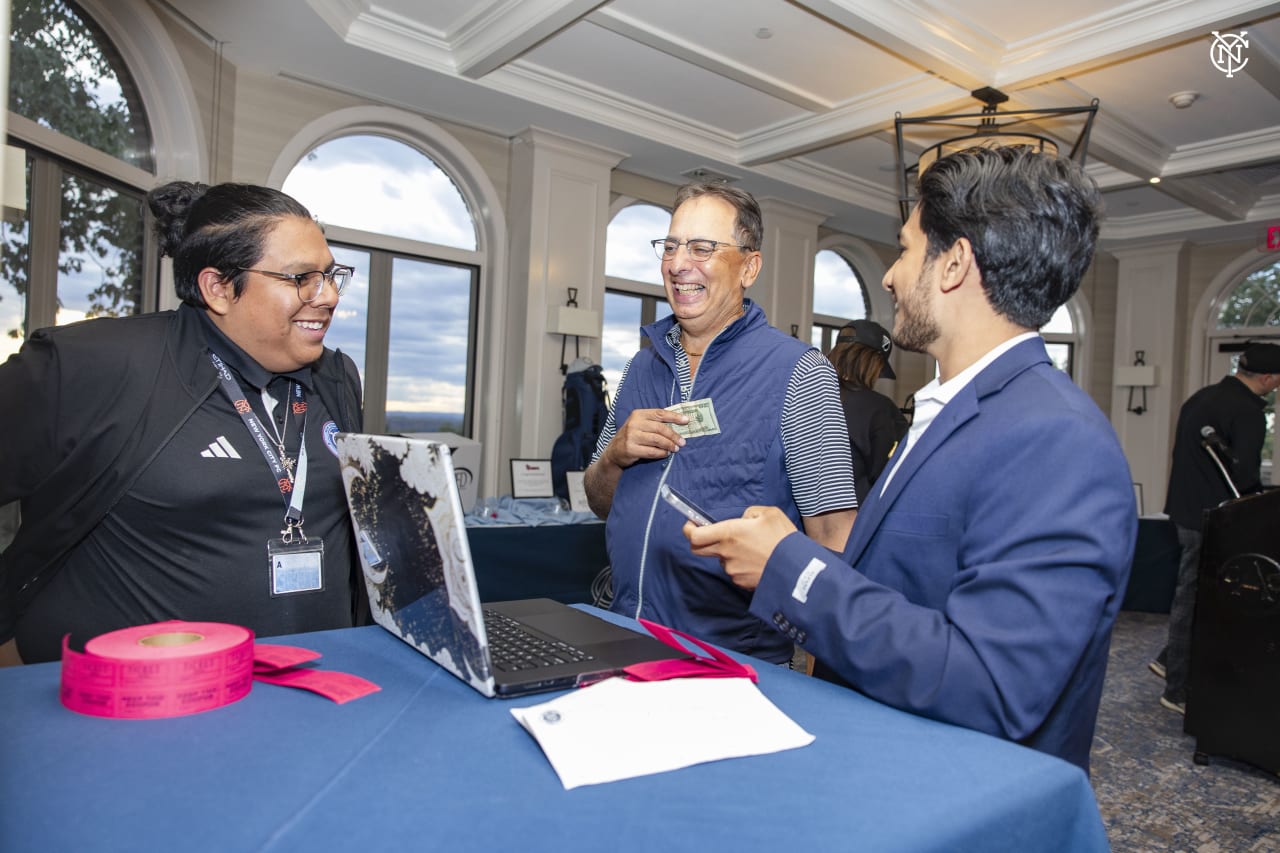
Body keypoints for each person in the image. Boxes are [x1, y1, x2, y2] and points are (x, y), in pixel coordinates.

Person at [686, 145, 1137, 772]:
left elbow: (993, 686)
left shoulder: (1057, 439)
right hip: (889, 764)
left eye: (904, 249)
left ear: (954, 263)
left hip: (961, 794)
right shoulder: (950, 410)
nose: (892, 276)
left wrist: (790, 566)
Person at [0, 181, 365, 665]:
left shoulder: (337, 379)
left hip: (312, 694)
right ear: (218, 288)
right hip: (132, 713)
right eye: (302, 278)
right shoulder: (89, 368)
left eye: (332, 274)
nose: (330, 296)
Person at [584, 182, 857, 665]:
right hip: (623, 638)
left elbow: (835, 539)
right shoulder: (641, 368)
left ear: (749, 266)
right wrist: (614, 455)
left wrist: (820, 662)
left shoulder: (800, 374)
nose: (678, 263)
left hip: (729, 662)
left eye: (702, 247)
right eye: (670, 246)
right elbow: (599, 501)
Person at [1153, 341, 1280, 714]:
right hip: (1218, 518)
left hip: (1185, 511)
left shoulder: (1202, 398)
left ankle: (1167, 658)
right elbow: (1244, 476)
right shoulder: (1248, 412)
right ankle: (1177, 689)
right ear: (1269, 378)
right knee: (1196, 601)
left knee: (1196, 595)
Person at [828, 319, 908, 502]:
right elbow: (889, 477)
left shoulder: (806, 395)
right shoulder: (880, 410)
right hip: (854, 521)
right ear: (873, 362)